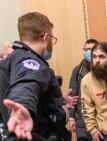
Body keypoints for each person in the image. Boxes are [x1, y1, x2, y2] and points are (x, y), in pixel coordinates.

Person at [0, 12, 77, 141]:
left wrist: (59, 102)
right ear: (46, 38)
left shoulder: (12, 59)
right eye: (52, 39)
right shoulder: (30, 61)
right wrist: (23, 105)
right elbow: (26, 84)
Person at [68, 39, 98, 141]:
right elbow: (72, 96)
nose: (88, 52)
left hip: (101, 123)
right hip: (82, 123)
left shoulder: (103, 69)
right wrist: (71, 117)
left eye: (91, 49)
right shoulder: (78, 70)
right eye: (86, 49)